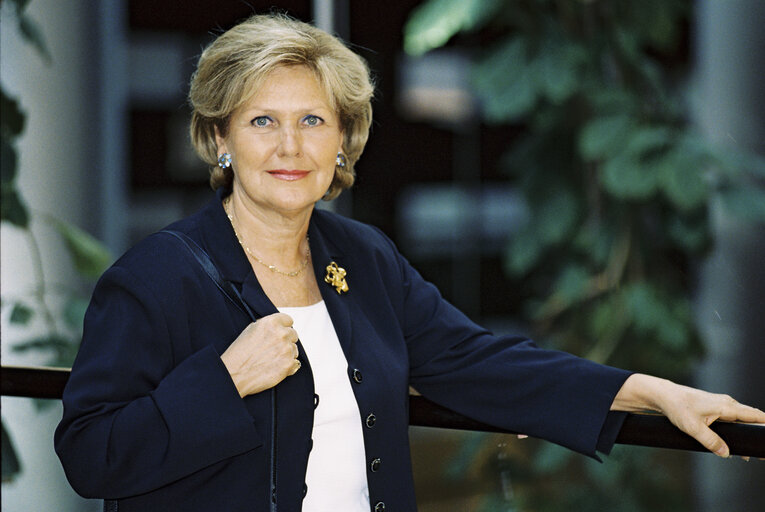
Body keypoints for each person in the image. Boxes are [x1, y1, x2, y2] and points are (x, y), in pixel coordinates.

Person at [54, 13, 765, 512]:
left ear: (342, 143)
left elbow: (474, 362)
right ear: (220, 139)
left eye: (312, 121)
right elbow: (90, 455)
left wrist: (648, 392)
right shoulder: (156, 276)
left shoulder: (361, 258)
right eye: (262, 120)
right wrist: (222, 381)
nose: (290, 147)